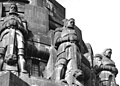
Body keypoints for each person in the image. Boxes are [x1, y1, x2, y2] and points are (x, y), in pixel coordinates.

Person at [54, 18, 85, 86]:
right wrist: (68, 38)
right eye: (71, 22)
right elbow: (56, 41)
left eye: (73, 22)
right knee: (61, 63)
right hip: (63, 49)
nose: (72, 23)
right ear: (66, 23)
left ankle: (70, 82)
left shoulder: (75, 33)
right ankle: (58, 80)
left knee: (72, 67)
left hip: (74, 51)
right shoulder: (60, 30)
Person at [0, 3, 28, 73]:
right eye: (11, 7)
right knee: (1, 54)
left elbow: (25, 32)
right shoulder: (4, 19)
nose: (12, 8)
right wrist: (7, 24)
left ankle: (22, 70)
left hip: (18, 35)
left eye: (14, 7)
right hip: (6, 35)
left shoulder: (21, 20)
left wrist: (17, 25)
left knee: (20, 54)